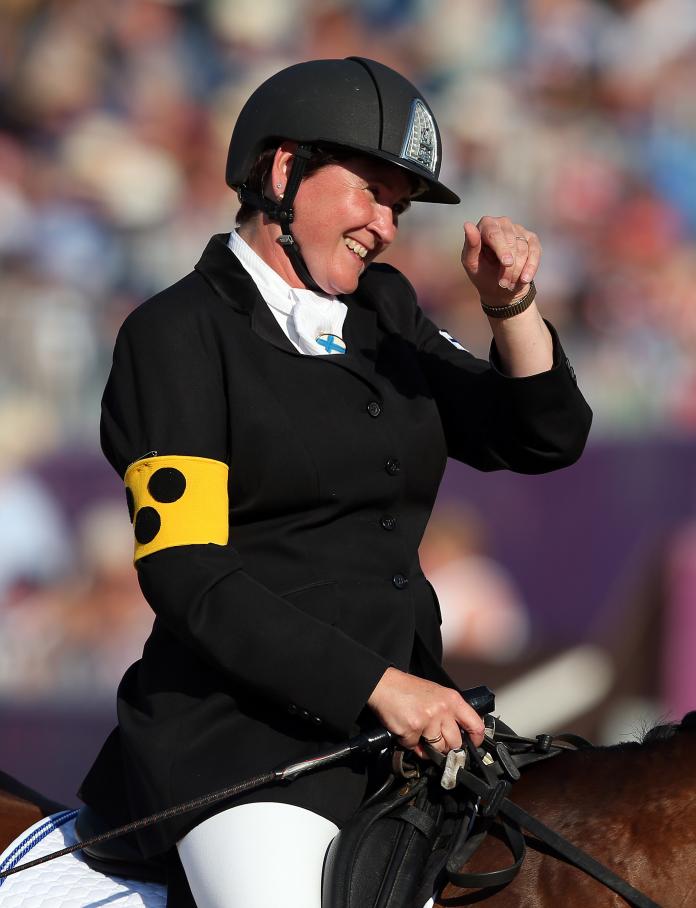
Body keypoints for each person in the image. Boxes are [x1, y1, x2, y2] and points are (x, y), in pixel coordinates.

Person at [79, 57, 592, 908]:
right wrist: (382, 688)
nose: (387, 226)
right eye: (373, 192)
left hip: (402, 737)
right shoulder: (175, 334)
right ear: (284, 171)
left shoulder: (385, 314)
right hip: (243, 747)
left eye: (398, 206)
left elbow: (542, 436)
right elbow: (188, 572)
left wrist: (511, 306)